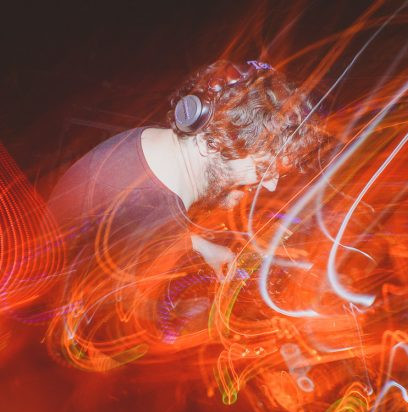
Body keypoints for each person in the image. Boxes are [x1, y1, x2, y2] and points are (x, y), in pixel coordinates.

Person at [48, 60, 324, 280]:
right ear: (210, 141)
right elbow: (134, 316)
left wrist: (199, 245)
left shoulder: (150, 152)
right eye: (264, 168)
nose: (271, 185)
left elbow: (127, 228)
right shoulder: (152, 218)